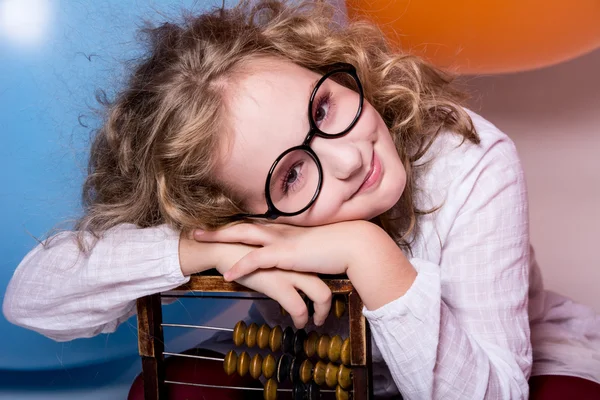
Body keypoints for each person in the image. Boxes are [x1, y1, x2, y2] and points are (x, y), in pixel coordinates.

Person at [3, 1, 600, 399]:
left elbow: (491, 393)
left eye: (323, 109)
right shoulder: (237, 222)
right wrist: (199, 247)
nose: (347, 159)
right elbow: (31, 301)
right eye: (290, 176)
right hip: (314, 371)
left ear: (330, 72)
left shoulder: (467, 159)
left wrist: (367, 249)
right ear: (240, 212)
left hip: (481, 370)